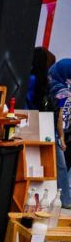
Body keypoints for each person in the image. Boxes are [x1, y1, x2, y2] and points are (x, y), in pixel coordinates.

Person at [49, 58, 71, 208]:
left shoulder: (58, 87)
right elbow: (60, 115)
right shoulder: (61, 91)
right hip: (57, 131)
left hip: (61, 131)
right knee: (61, 166)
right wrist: (62, 137)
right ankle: (65, 200)